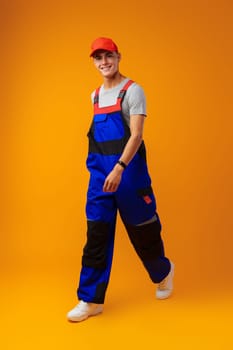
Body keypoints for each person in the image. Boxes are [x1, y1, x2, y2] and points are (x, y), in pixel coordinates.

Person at [67, 37, 174, 322]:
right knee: (96, 237)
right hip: (100, 178)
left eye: (109, 56)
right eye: (98, 57)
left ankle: (163, 273)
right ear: (93, 61)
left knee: (144, 232)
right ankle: (90, 300)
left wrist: (119, 167)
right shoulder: (94, 95)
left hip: (129, 176)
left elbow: (136, 135)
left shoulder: (133, 91)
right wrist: (105, 171)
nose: (104, 62)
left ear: (118, 56)